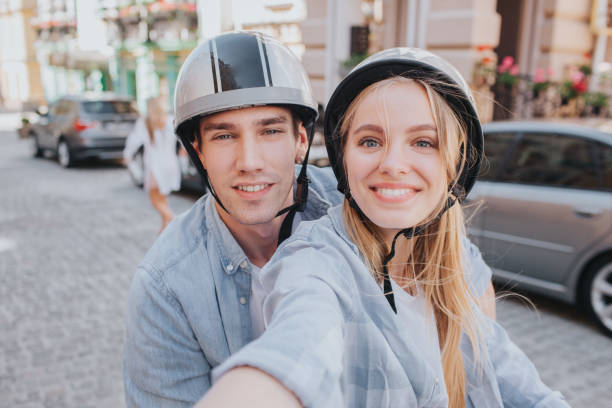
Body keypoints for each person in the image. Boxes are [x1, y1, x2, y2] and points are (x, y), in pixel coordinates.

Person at [123, 33, 495, 407]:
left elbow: (467, 280)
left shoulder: (357, 200)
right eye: (224, 135)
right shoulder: (165, 286)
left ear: (301, 140)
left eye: (269, 130)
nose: (249, 160)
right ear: (198, 151)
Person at [196, 48, 569, 407]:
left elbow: (518, 383)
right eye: (370, 141)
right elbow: (299, 341)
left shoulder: (458, 267)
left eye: (424, 142)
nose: (393, 163)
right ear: (344, 160)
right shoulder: (316, 260)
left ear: (456, 164)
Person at [124, 97, 181, 231]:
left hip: (155, 167)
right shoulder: (170, 120)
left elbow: (133, 141)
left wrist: (127, 156)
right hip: (170, 165)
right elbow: (182, 139)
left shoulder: (145, 122)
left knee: (153, 197)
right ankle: (164, 228)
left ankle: (174, 221)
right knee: (161, 197)